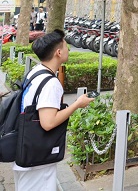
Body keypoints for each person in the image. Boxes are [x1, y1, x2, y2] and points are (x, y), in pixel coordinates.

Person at [13, 29, 94, 190]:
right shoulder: (51, 83)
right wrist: (77, 104)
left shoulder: (36, 72)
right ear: (58, 52)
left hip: (26, 148)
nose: (68, 49)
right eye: (65, 46)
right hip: (37, 159)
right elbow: (48, 123)